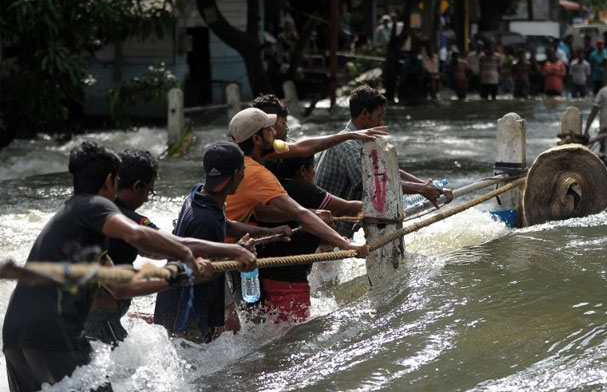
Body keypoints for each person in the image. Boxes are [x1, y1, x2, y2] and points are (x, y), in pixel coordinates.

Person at [1, 142, 250, 392]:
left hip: (15, 332)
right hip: (53, 334)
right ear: (110, 180)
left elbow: (120, 287)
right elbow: (139, 236)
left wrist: (181, 276)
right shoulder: (93, 206)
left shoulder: (75, 221)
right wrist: (191, 254)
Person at [154, 141, 290, 343]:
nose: (244, 175)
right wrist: (237, 253)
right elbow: (201, 270)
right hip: (187, 308)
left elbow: (226, 224)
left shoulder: (201, 194)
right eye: (243, 170)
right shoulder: (203, 221)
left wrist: (268, 231)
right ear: (236, 175)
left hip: (187, 298)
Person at [224, 107, 369, 256]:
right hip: (219, 247)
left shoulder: (234, 156)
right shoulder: (257, 174)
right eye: (269, 130)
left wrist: (348, 136)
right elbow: (300, 214)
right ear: (257, 139)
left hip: (221, 240)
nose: (274, 132)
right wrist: (346, 244)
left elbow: (303, 147)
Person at [314, 85, 453, 238]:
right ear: (365, 114)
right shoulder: (348, 145)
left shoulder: (359, 141)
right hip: (323, 233)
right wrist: (421, 190)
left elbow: (388, 172)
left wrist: (427, 186)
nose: (381, 122)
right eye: (379, 116)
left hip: (338, 230)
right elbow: (373, 183)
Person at [258, 156, 362, 323]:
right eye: (313, 169)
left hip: (263, 276)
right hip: (288, 282)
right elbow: (349, 207)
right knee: (294, 333)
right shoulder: (302, 189)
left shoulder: (269, 190)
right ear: (303, 171)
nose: (315, 173)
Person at [250, 94, 388, 159]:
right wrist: (348, 135)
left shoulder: (272, 146)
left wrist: (348, 135)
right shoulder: (261, 148)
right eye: (283, 123)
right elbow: (304, 148)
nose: (286, 128)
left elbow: (301, 146)